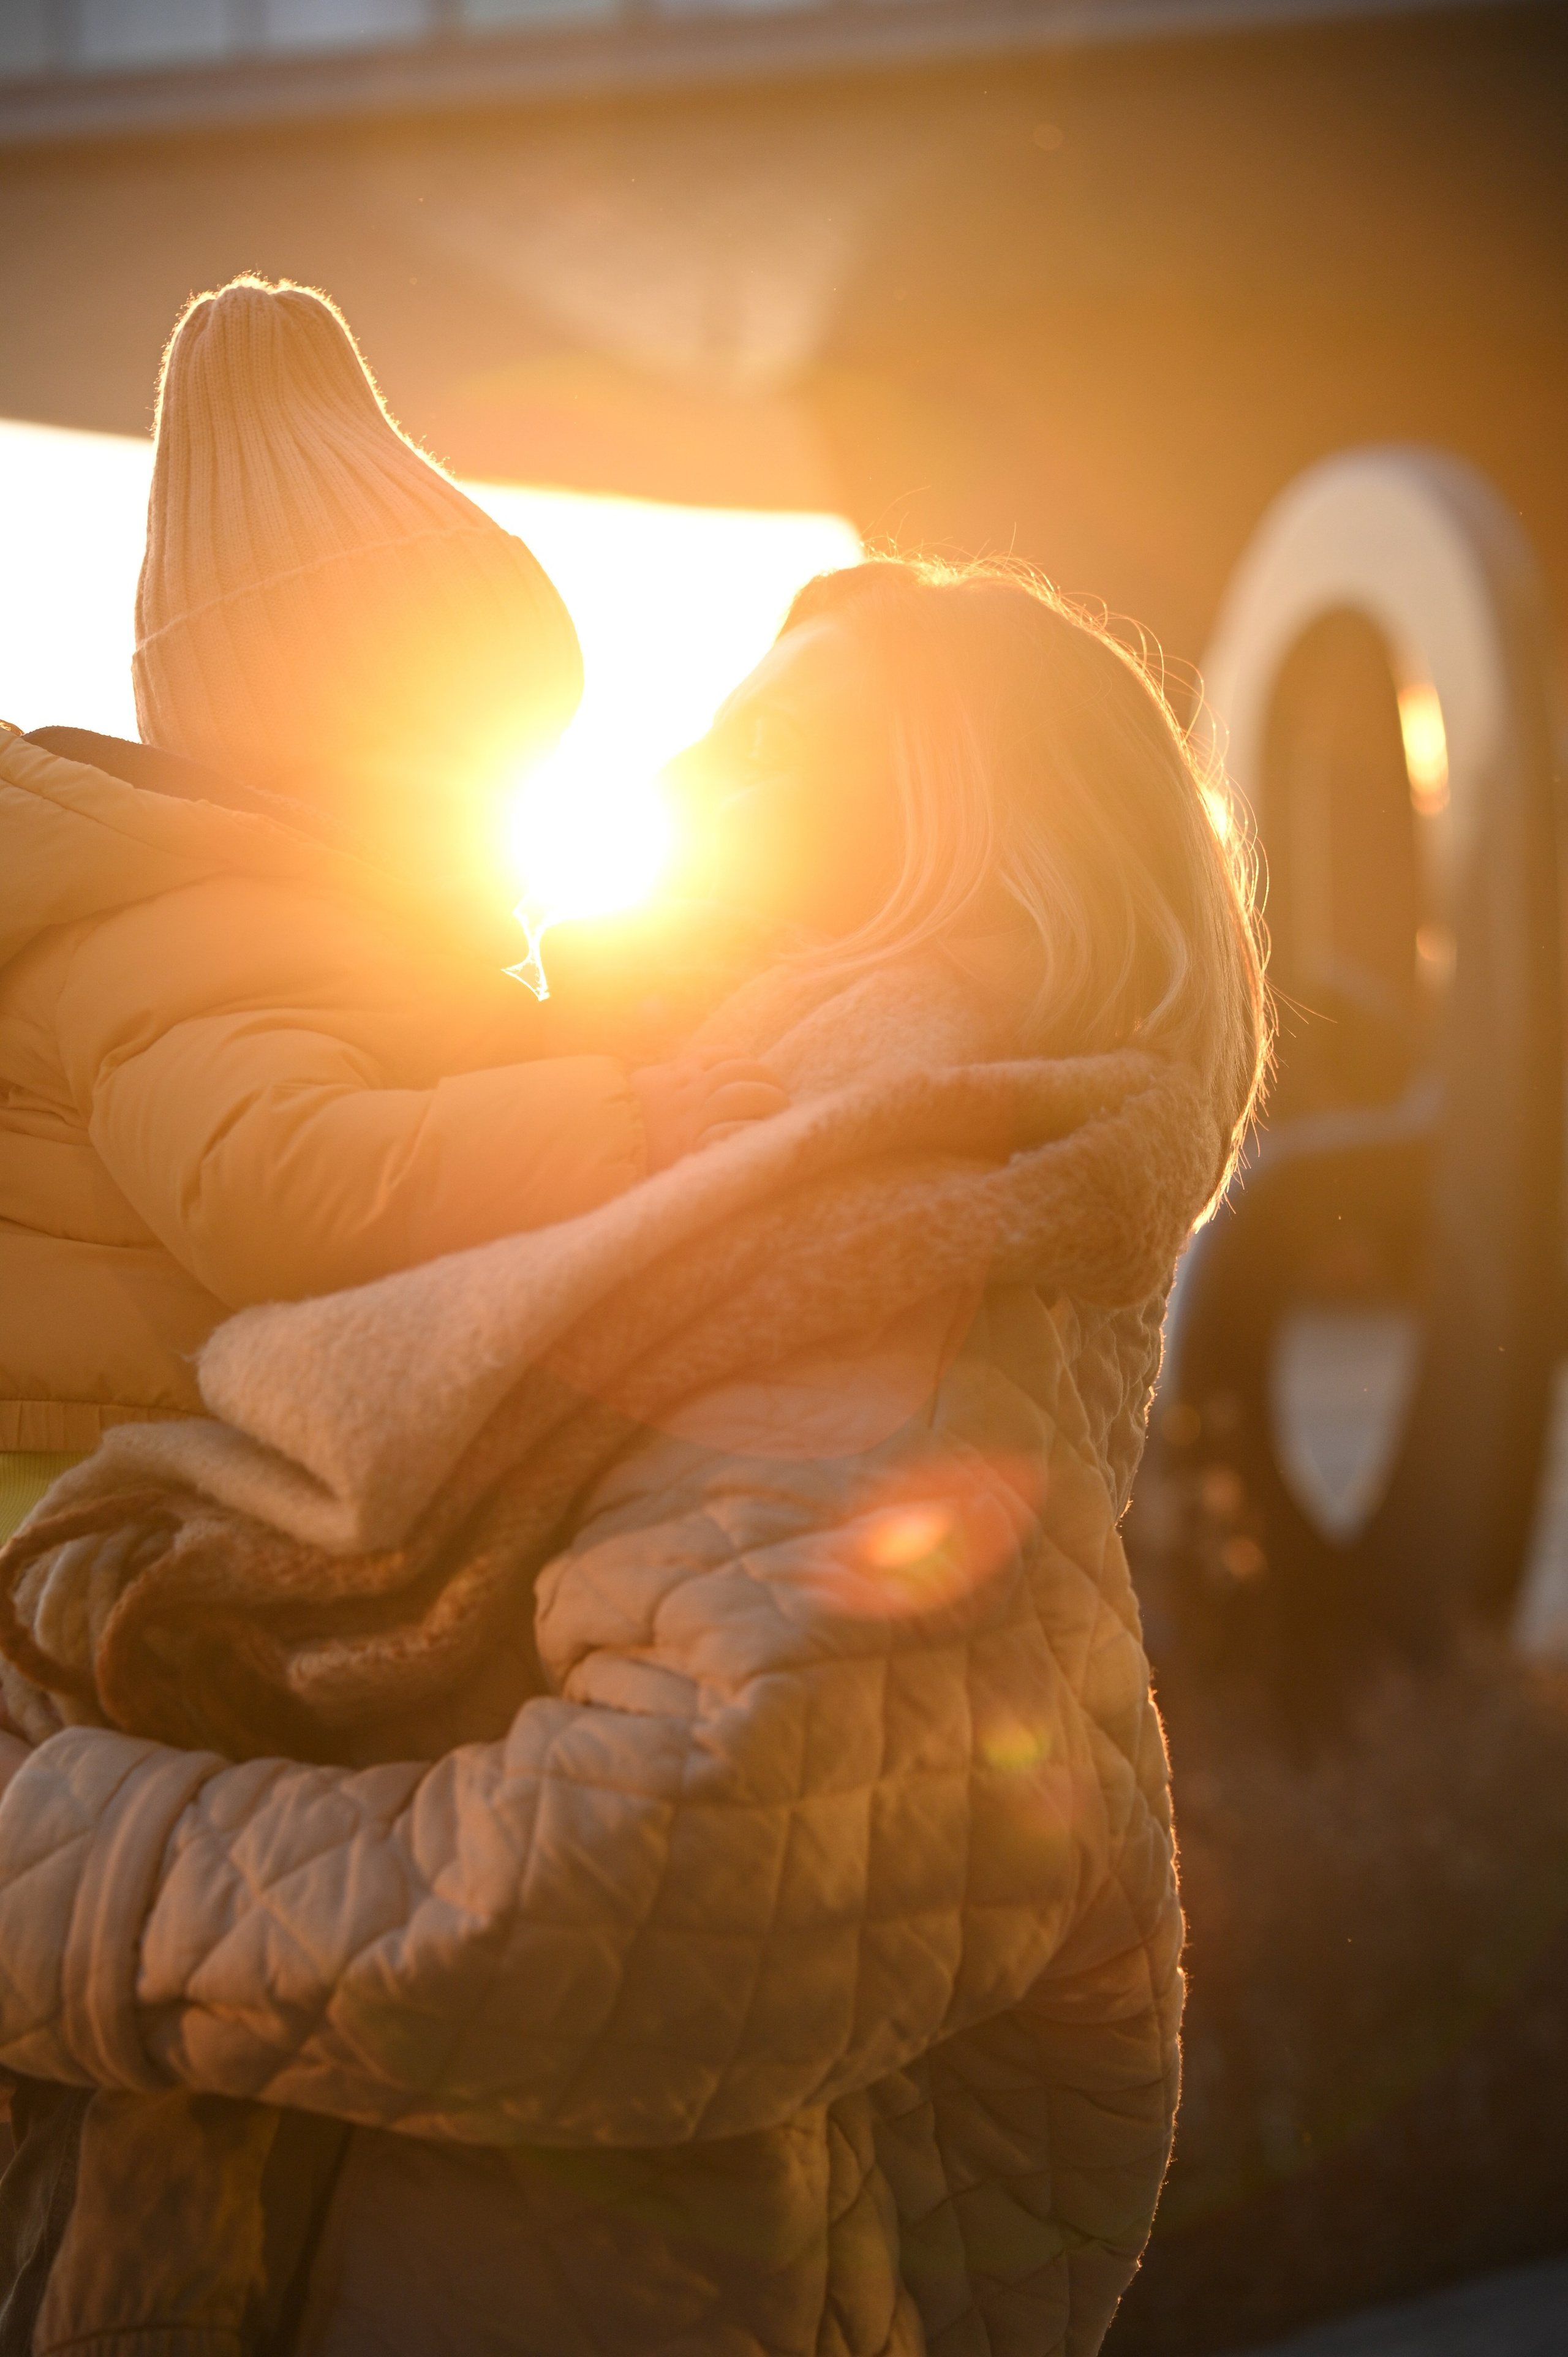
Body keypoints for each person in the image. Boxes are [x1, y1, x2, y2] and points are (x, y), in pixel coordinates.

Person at [0, 556, 1268, 2356]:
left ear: (971, 859)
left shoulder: (885, 1260)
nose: (676, 791)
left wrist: (62, 1863)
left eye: (764, 753)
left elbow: (673, 1889)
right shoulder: (717, 1233)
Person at [0, 276, 783, 1550]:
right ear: (312, 741)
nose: (500, 799)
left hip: (160, 1470)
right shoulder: (171, 923)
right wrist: (633, 1119)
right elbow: (284, 1185)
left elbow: (393, 1087)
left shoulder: (320, 921)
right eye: (468, 748)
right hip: (66, 1507)